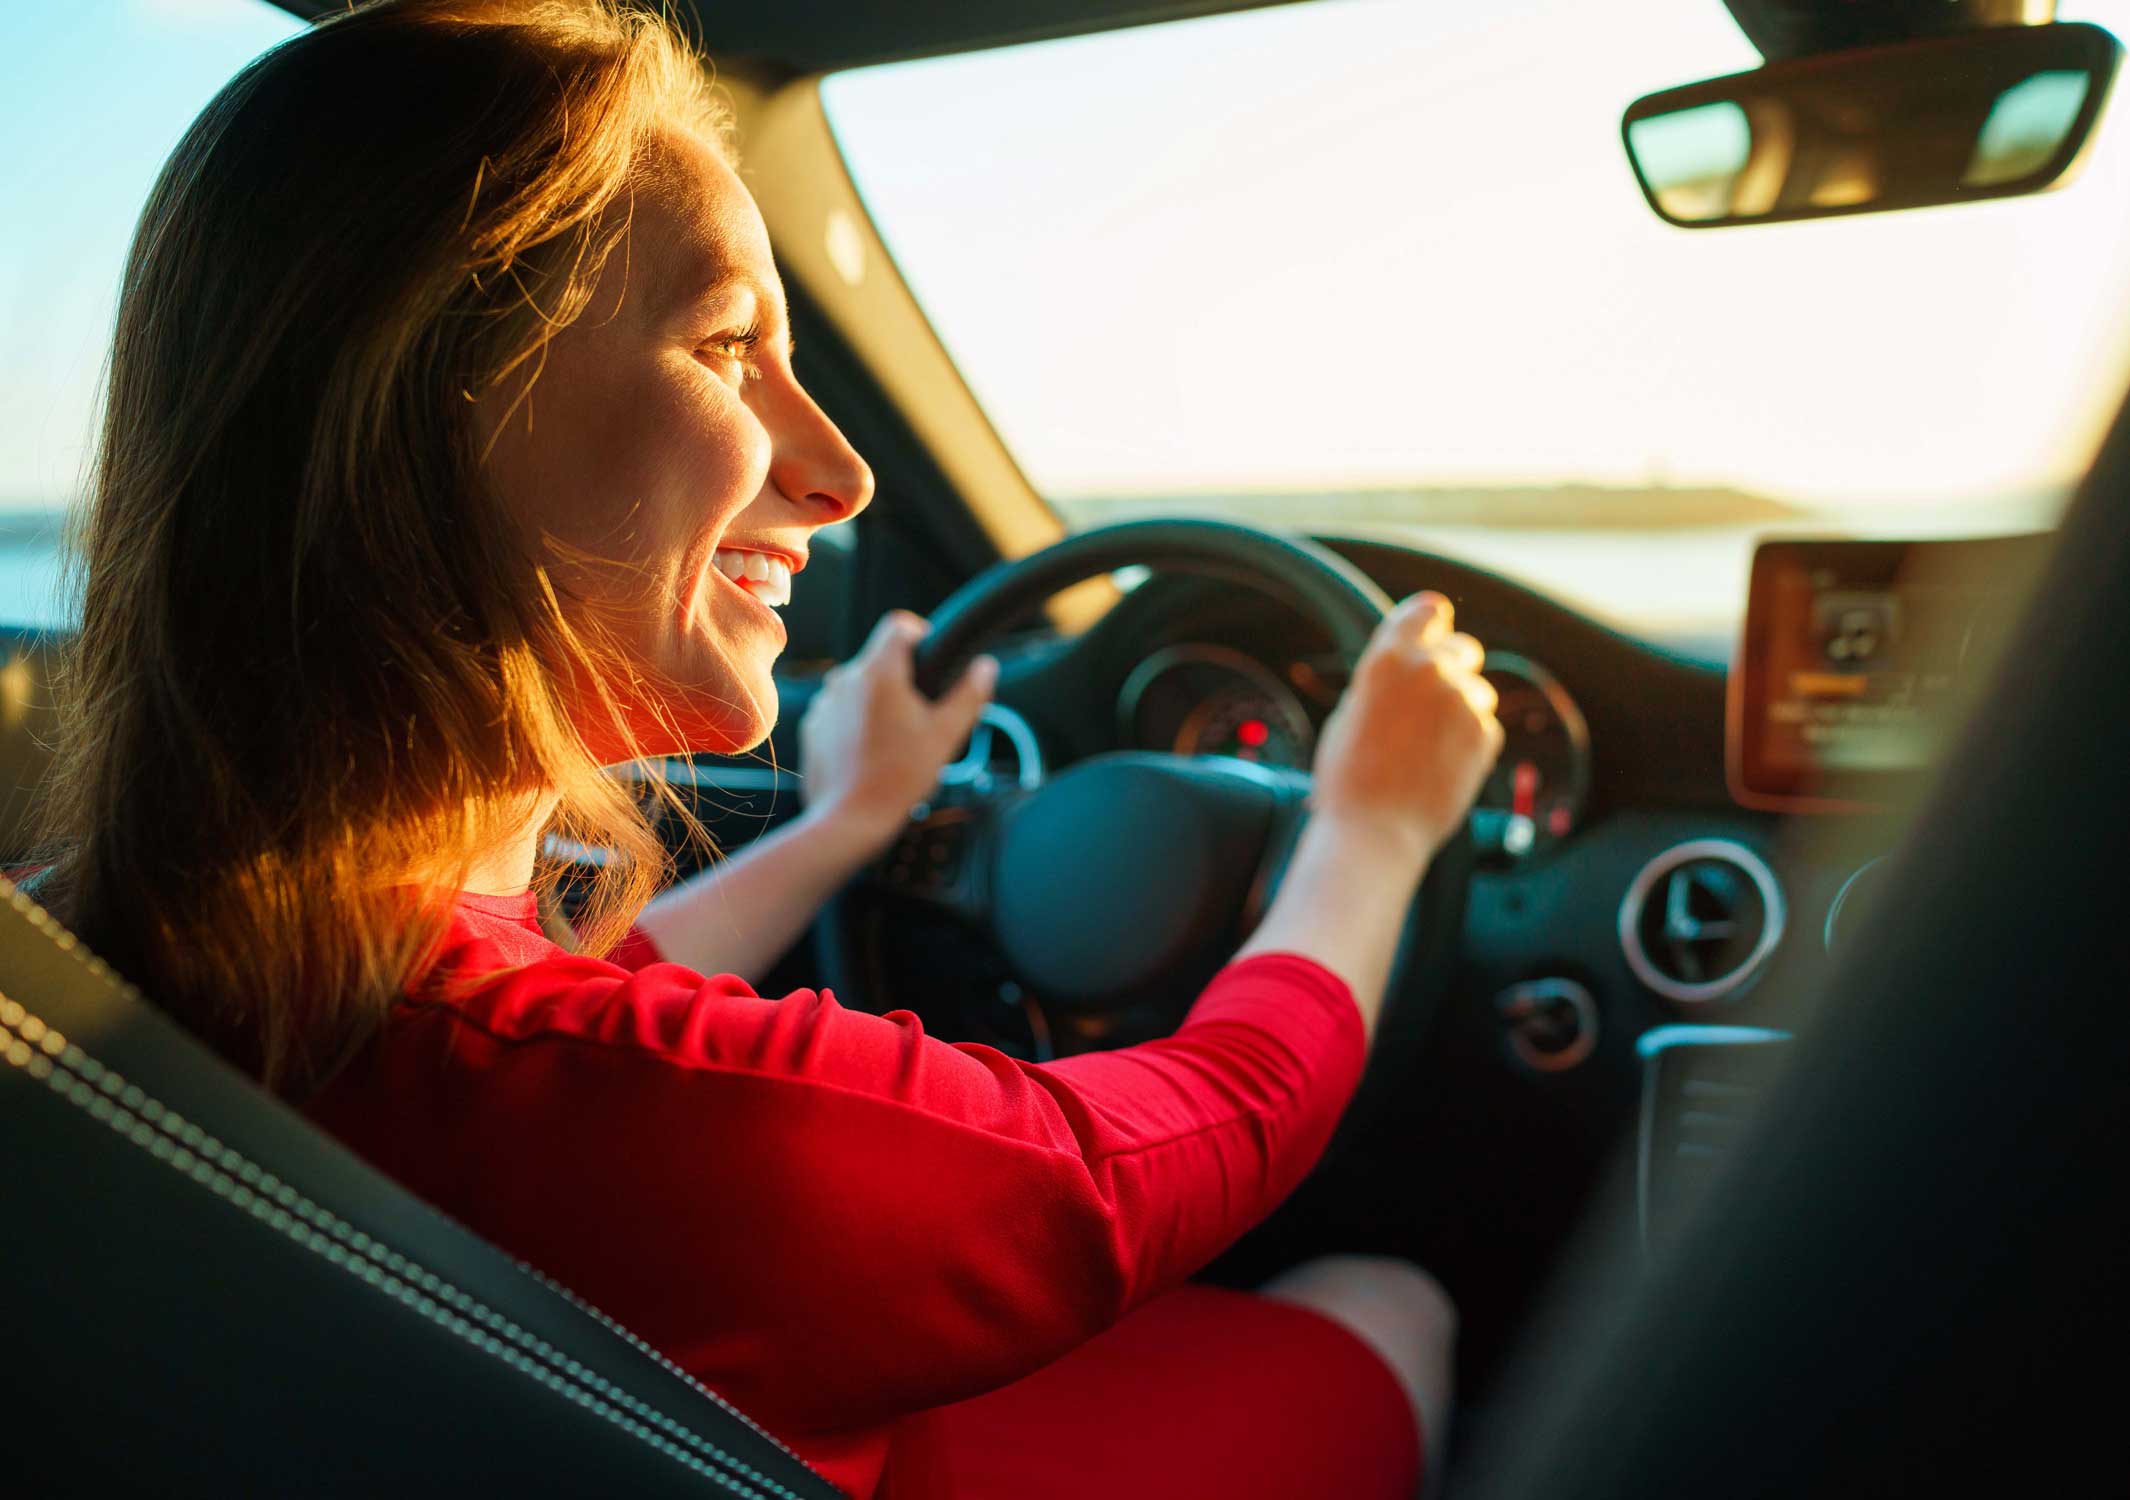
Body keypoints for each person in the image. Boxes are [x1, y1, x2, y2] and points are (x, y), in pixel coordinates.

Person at [37, 2, 1503, 1495]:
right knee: (1386, 1303)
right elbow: (1185, 1138)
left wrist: (848, 823)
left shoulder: (94, 965)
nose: (842, 471)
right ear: (423, 402)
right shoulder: (640, 1131)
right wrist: (1371, 829)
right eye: (729, 342)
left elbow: (573, 1034)